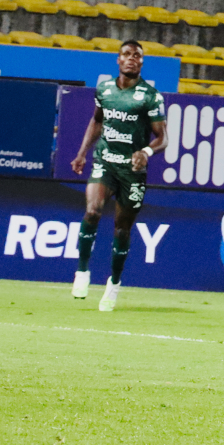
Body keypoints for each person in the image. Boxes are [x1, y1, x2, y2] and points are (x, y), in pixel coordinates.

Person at [70, 40, 167, 311]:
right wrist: (82, 153)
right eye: (126, 54)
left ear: (142, 62)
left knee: (122, 229)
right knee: (92, 211)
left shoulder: (150, 96)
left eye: (137, 56)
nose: (131, 59)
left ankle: (113, 284)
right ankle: (82, 271)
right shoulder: (104, 89)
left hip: (132, 172)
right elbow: (97, 120)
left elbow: (163, 138)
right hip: (105, 161)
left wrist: (146, 151)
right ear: (118, 59)